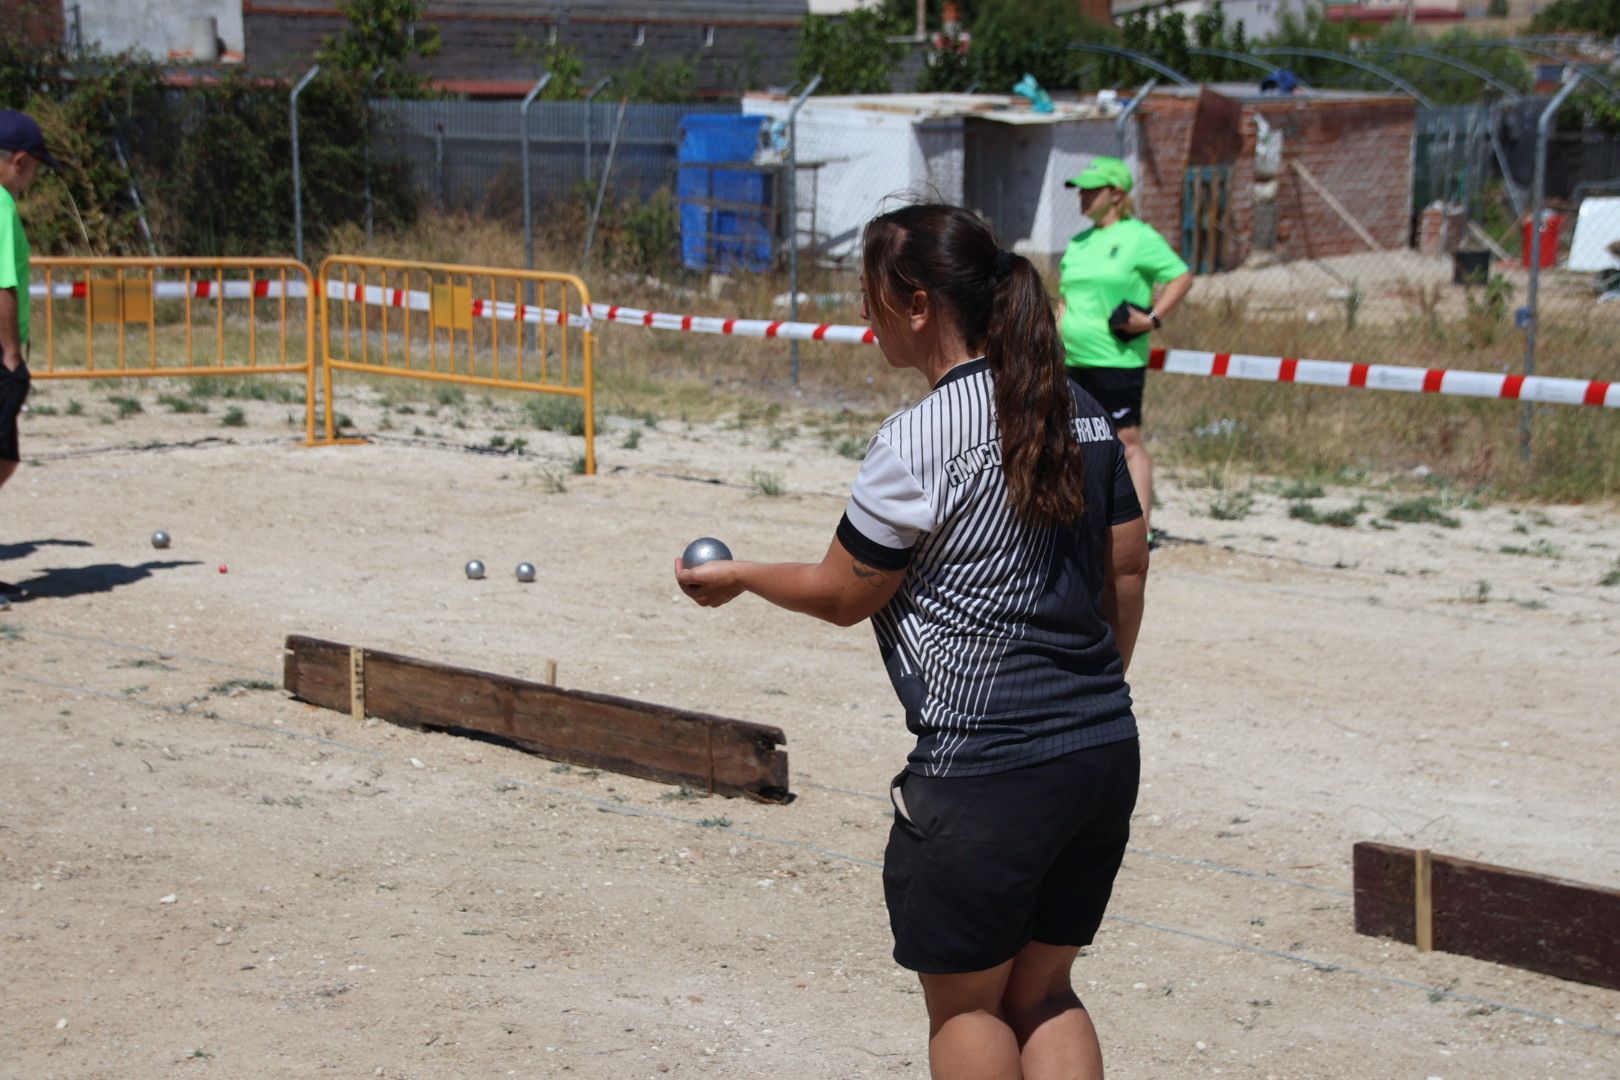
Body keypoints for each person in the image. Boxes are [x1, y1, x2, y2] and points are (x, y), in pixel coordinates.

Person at [676, 203, 1149, 1080]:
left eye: (872, 298)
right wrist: (1092, 689)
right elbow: (1127, 572)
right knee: (1045, 992)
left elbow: (845, 593)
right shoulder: (1078, 409)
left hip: (987, 772)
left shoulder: (920, 436)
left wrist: (739, 574)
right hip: (1101, 751)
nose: (866, 318)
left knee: (969, 1006)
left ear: (919, 304)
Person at [1059, 156, 1192, 540]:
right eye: (1080, 190)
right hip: (1072, 356)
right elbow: (1066, 298)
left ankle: (1139, 531)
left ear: (1116, 194)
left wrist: (1152, 319)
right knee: (1076, 440)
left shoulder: (1139, 237)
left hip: (1116, 357)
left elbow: (1181, 277)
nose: (1083, 197)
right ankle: (1086, 522)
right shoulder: (1079, 241)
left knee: (1125, 440)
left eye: (1091, 190)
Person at [0, 110, 58, 607]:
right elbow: (3, 284)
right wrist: (12, 355)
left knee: (6, 457)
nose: (35, 177)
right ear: (18, 162)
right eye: (36, 167)